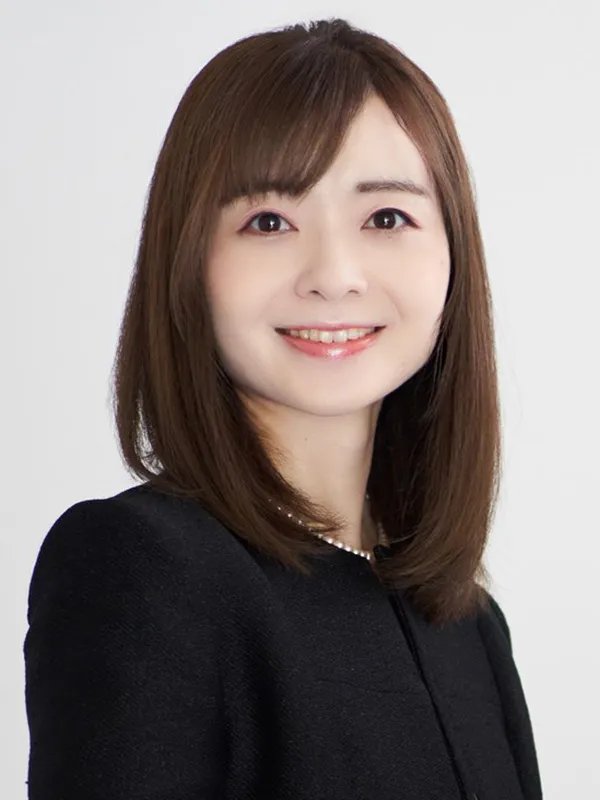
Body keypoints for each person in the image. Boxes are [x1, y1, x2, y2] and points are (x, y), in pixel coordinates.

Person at [23, 17, 543, 800]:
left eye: (386, 218)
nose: (333, 274)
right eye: (268, 221)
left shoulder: (470, 625)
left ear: (452, 257)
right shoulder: (139, 572)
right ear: (189, 262)